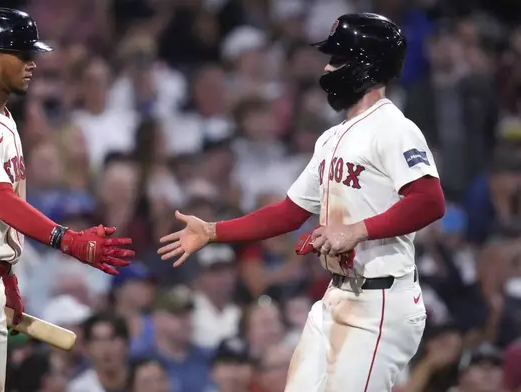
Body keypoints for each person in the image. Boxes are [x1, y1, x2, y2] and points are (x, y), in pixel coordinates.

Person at [158, 12, 445, 391]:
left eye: (338, 59)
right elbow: (289, 212)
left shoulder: (395, 128)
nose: (327, 68)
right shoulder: (331, 139)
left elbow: (430, 201)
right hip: (337, 295)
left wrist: (357, 230)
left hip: (380, 302)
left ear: (366, 64)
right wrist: (214, 231)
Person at [0, 8, 134, 392]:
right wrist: (68, 240)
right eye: (22, 53)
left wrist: (7, 272)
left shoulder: (3, 118)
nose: (32, 63)